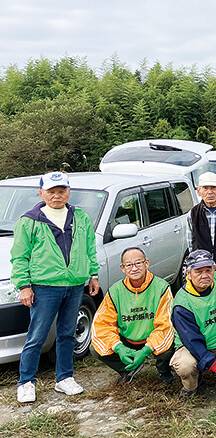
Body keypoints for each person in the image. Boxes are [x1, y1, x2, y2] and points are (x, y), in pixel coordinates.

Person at [11, 171, 100, 403]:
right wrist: (23, 285)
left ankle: (64, 378)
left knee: (67, 334)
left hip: (74, 285)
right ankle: (26, 382)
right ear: (42, 193)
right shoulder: (29, 221)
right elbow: (19, 257)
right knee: (37, 336)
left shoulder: (80, 217)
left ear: (69, 192)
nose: (57, 196)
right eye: (51, 191)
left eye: (62, 191)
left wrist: (93, 274)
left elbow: (90, 247)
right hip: (44, 287)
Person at [90, 247, 175, 384]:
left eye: (138, 263)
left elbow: (165, 325)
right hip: (127, 339)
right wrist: (119, 347)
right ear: (122, 268)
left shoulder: (161, 287)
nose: (134, 268)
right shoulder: (115, 291)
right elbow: (102, 324)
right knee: (95, 348)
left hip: (151, 339)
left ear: (146, 263)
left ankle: (164, 370)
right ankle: (127, 369)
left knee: (168, 342)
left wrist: (146, 350)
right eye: (128, 265)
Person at [170, 250, 216, 397]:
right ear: (188, 273)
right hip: (198, 345)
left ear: (214, 268)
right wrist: (212, 363)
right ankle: (190, 387)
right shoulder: (182, 304)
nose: (204, 275)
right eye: (198, 271)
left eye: (208, 270)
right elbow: (191, 340)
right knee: (186, 365)